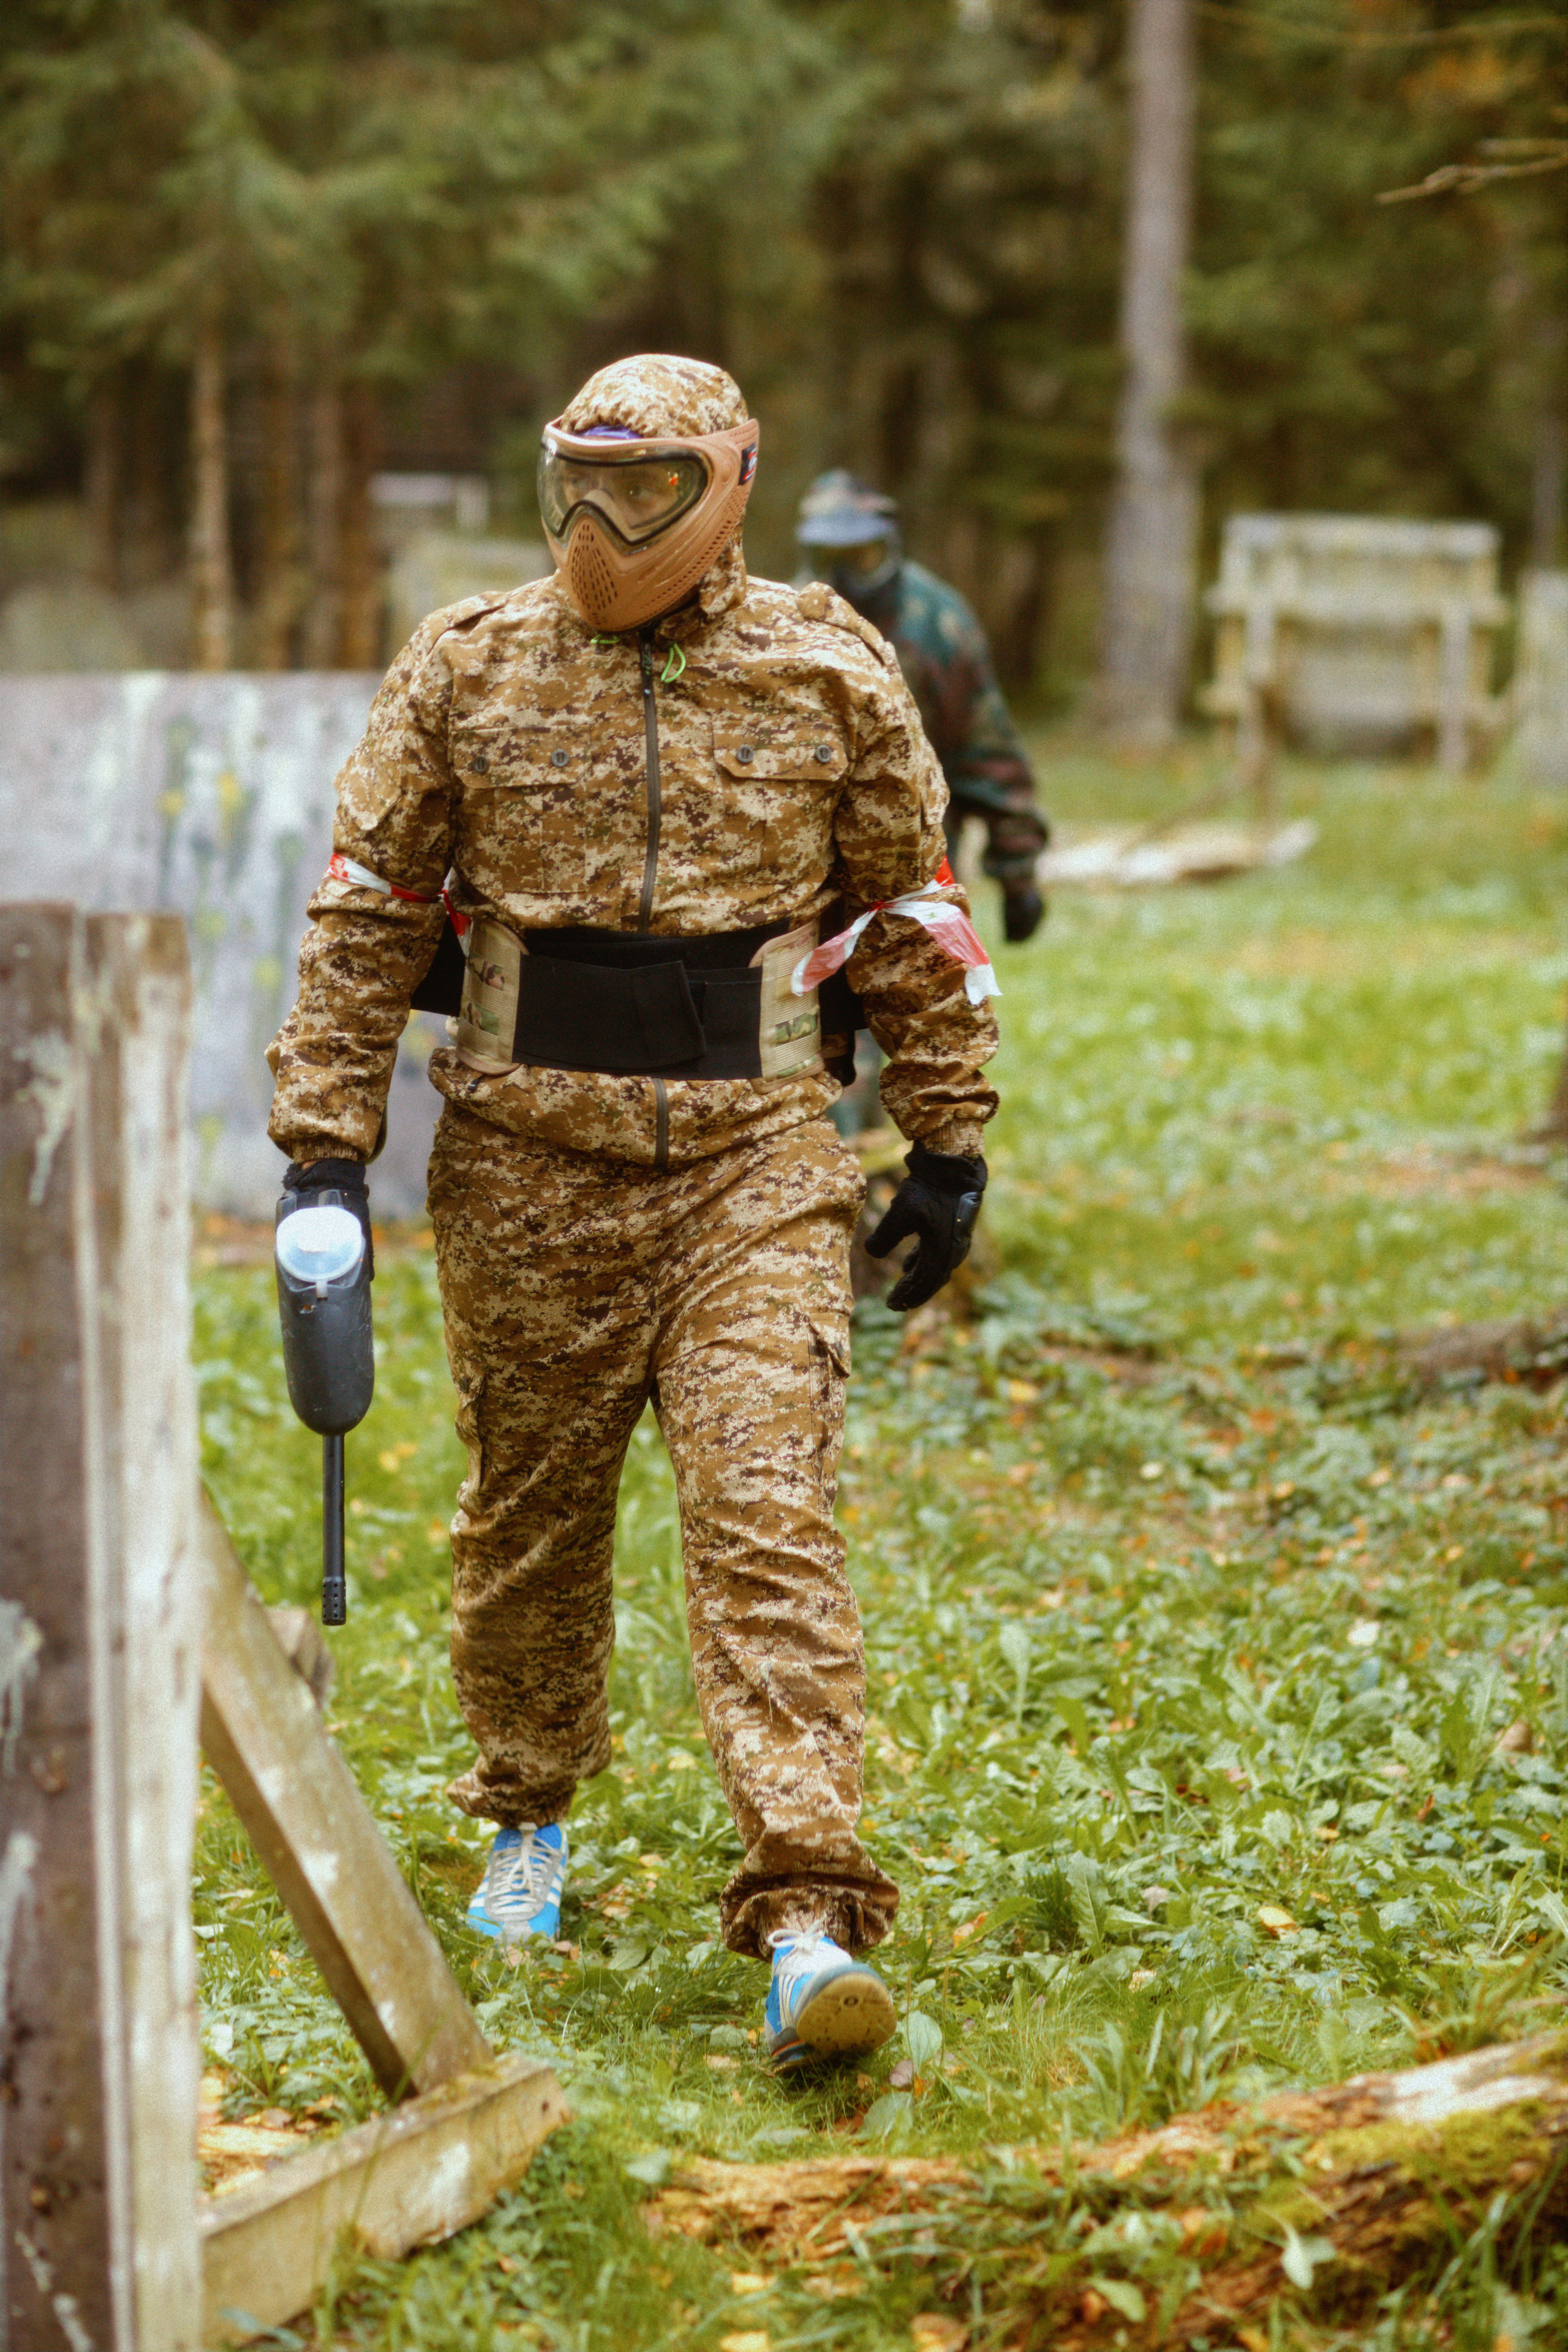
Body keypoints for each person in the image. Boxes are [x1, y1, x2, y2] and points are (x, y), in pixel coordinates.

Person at [267, 355, 1000, 2073]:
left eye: (649, 485)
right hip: (525, 1164)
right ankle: (529, 1814)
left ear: (734, 481)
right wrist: (322, 1149)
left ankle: (809, 1910)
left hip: (756, 1163)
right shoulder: (471, 666)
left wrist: (950, 1141)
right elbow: (369, 907)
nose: (607, 522)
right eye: (580, 481)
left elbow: (909, 905)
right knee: (533, 1523)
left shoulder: (828, 671)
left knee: (767, 1516)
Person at [796, 470, 1049, 944]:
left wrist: (1018, 874)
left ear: (888, 548)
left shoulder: (937, 621)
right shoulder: (788, 617)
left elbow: (985, 748)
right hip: (807, 869)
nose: (846, 577)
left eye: (861, 557)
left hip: (915, 861)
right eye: (831, 559)